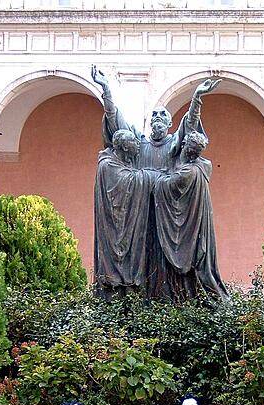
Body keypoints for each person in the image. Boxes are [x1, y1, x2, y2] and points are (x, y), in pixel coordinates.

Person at [91, 65, 220, 171]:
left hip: (167, 197)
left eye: (162, 114)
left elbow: (190, 122)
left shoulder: (174, 143)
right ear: (150, 122)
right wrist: (106, 90)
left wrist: (196, 98)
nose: (158, 116)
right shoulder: (139, 143)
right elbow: (114, 119)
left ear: (170, 123)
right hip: (141, 197)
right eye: (154, 114)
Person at [153, 131, 228, 301]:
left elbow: (161, 186)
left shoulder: (187, 173)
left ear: (187, 147)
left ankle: (203, 300)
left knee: (193, 262)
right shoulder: (205, 165)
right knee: (201, 261)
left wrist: (156, 177)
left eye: (186, 146)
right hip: (201, 222)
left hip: (191, 227)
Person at [93, 129, 160, 299]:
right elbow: (125, 183)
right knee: (116, 261)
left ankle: (130, 293)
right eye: (133, 142)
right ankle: (117, 295)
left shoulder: (122, 163)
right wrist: (150, 177)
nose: (138, 145)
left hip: (128, 223)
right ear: (124, 146)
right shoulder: (108, 164)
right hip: (114, 226)